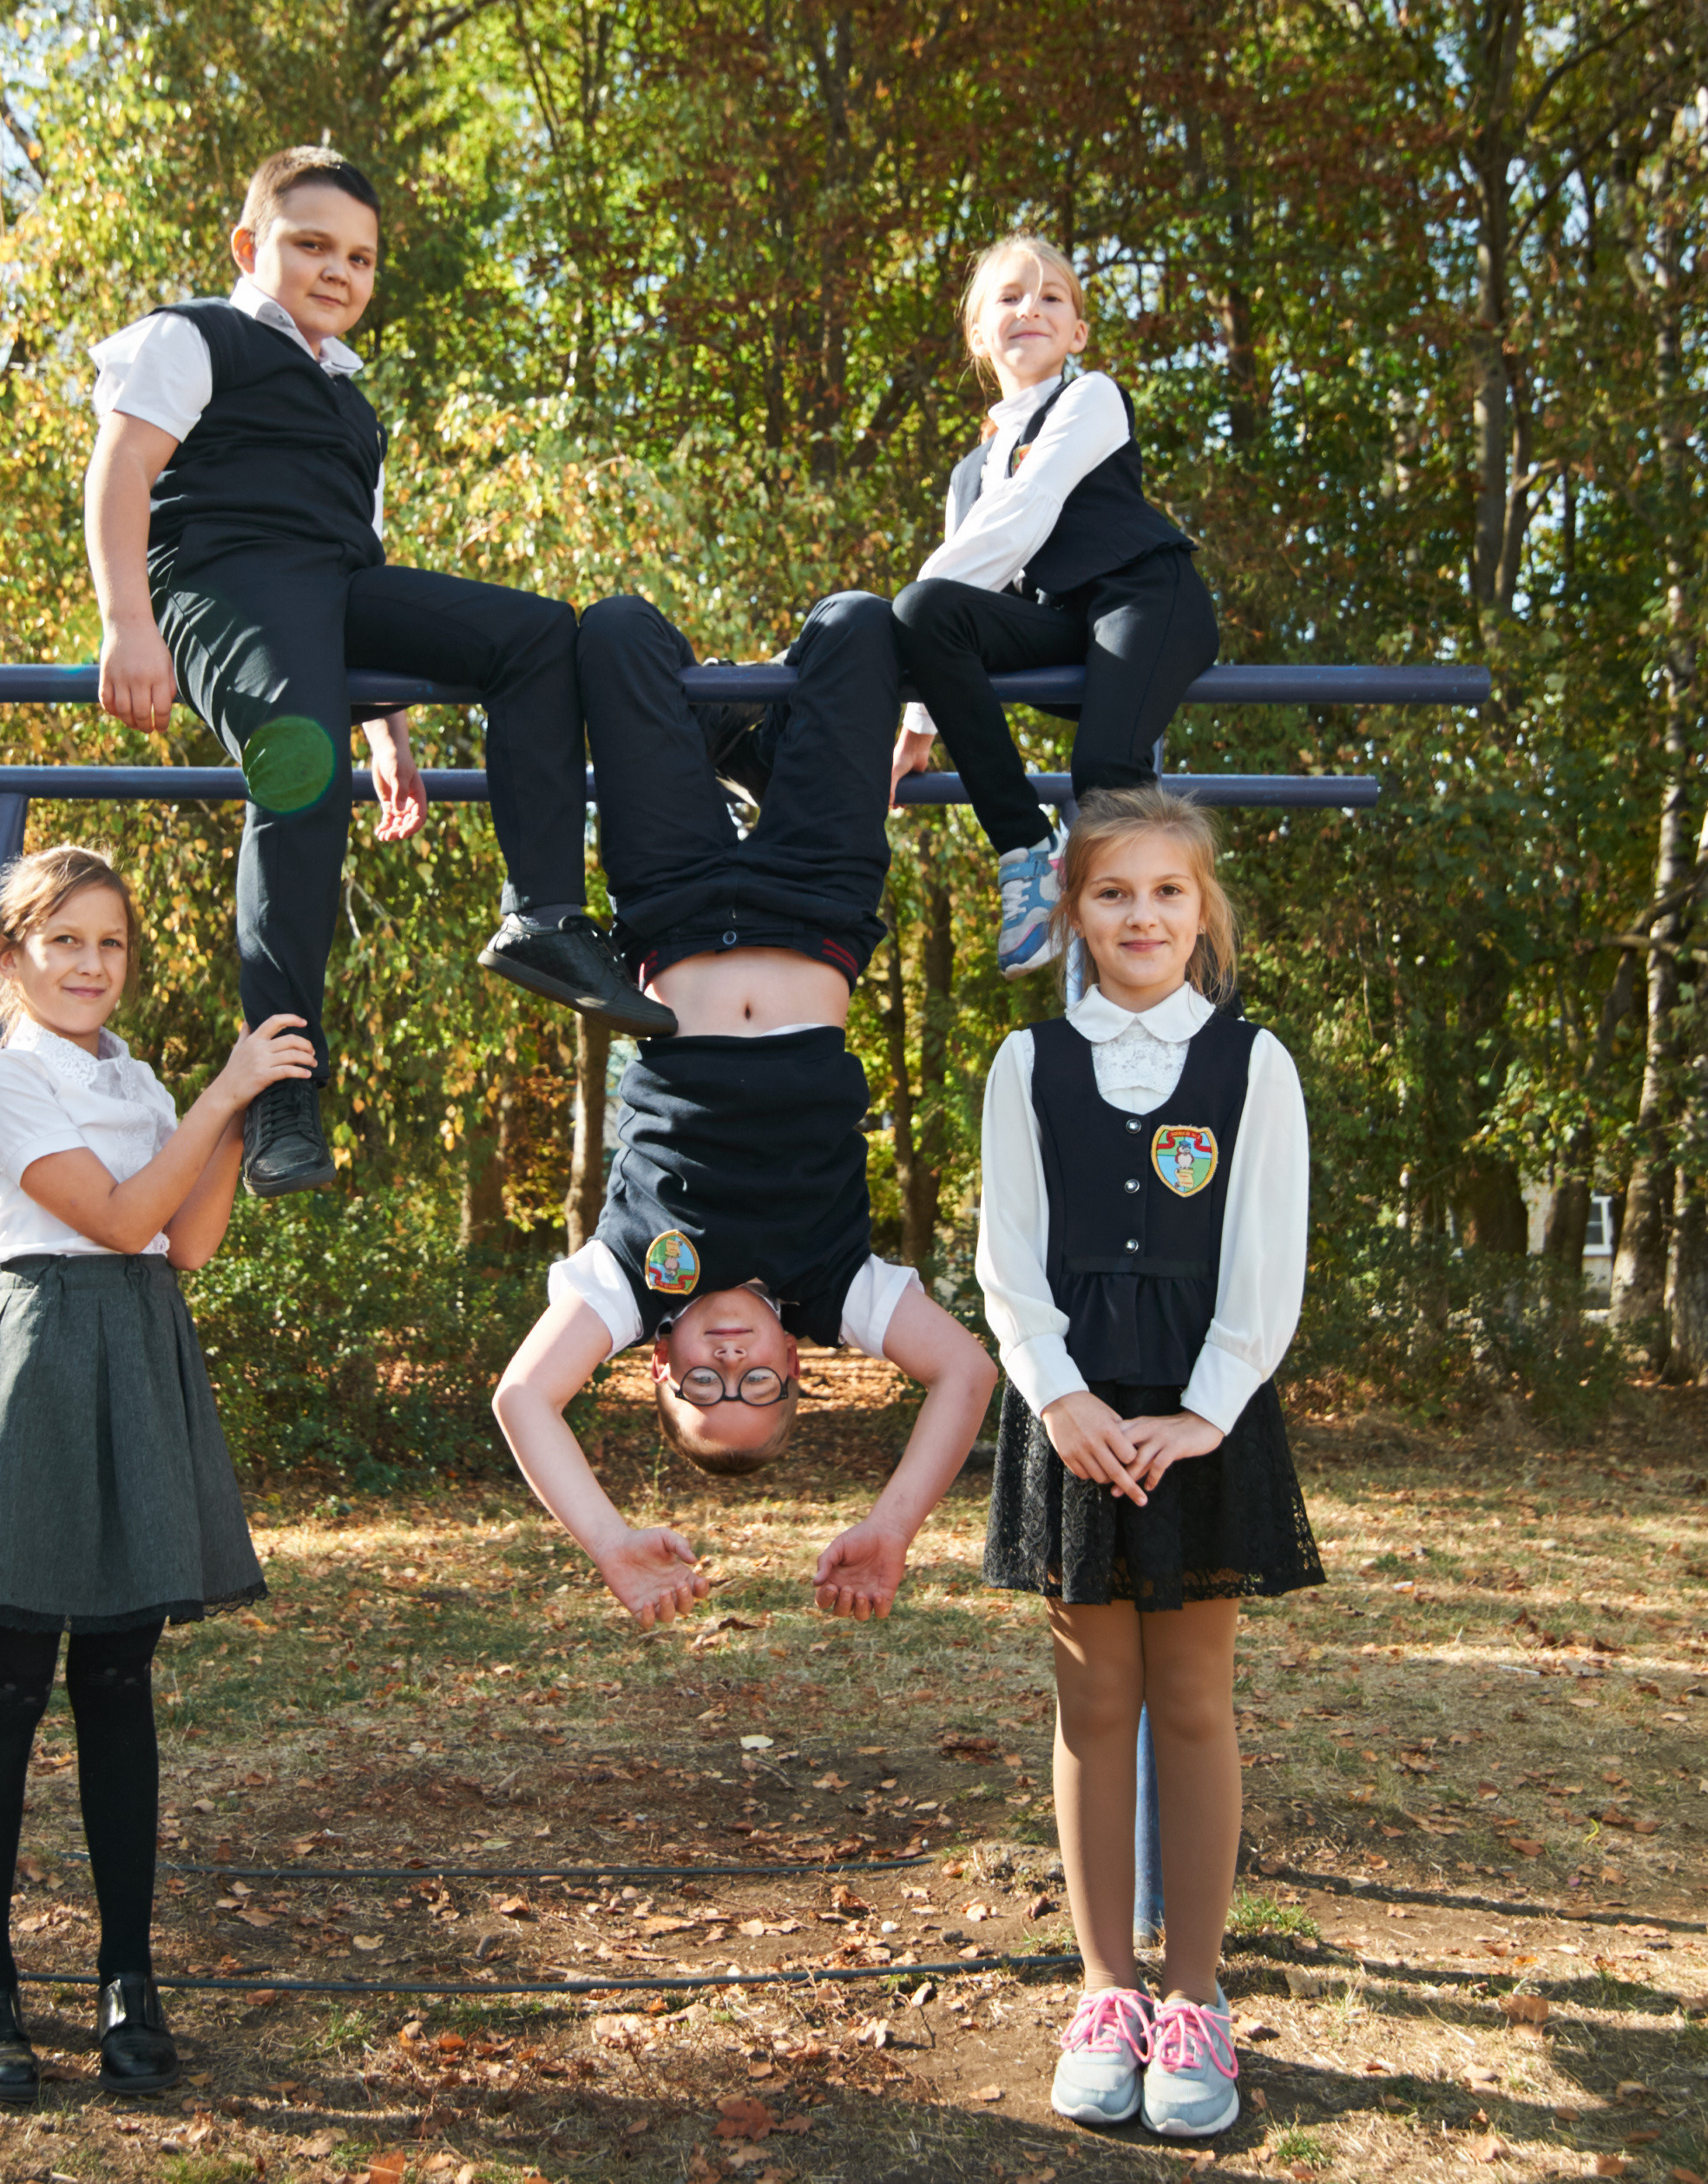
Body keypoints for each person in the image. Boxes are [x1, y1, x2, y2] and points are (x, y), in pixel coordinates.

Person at [83, 145, 672, 1202]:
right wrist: (128, 621)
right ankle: (279, 1086)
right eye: (310, 245)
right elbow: (122, 465)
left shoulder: (355, 406)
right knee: (297, 767)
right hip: (222, 583)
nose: (336, 272)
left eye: (358, 258)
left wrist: (385, 721)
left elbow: (361, 564)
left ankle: (540, 914)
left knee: (540, 636)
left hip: (333, 594)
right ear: (247, 246)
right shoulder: (194, 335)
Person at [490, 591, 998, 1627]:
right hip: (817, 903)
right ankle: (756, 753)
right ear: (795, 1362)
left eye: (702, 1394)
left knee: (619, 631)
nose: (729, 1372)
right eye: (757, 1392)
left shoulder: (630, 1287)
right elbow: (965, 1373)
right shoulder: (830, 1287)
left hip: (670, 899)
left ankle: (733, 747)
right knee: (858, 624)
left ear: (657, 1372)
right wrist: (891, 1526)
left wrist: (610, 1542)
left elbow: (523, 1398)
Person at [0, 845, 297, 2106]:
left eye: (110, 944)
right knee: (9, 1675)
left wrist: (234, 1113)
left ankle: (128, 1978)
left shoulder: (138, 1082)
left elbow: (184, 1245)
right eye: (63, 940)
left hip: (139, 1351)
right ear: (12, 957)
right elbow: (118, 1221)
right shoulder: (3, 1083)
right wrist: (222, 1092)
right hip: (46, 1346)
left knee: (119, 1676)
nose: (90, 964)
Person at [974, 786, 1322, 2138]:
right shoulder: (1027, 1068)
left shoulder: (1255, 1065)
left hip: (1196, 1417)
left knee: (1190, 1700)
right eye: (1114, 893)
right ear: (1075, 912)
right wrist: (1057, 1399)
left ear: (1204, 913)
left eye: (1168, 893)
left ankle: (1194, 1999)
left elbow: (1268, 1262)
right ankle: (1103, 1989)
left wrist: (1208, 1409)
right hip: (1072, 1415)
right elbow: (1008, 1257)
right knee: (1091, 1703)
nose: (1142, 916)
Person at [891, 234, 1220, 979]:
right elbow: (961, 587)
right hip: (1064, 621)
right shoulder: (968, 473)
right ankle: (1025, 851)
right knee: (921, 611)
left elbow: (1024, 518)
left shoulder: (1091, 398)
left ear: (1077, 333)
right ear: (979, 333)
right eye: (1008, 297)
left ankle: (1191, 991)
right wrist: (921, 719)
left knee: (1104, 772)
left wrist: (912, 713)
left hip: (1144, 595)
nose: (1028, 310)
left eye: (1050, 298)